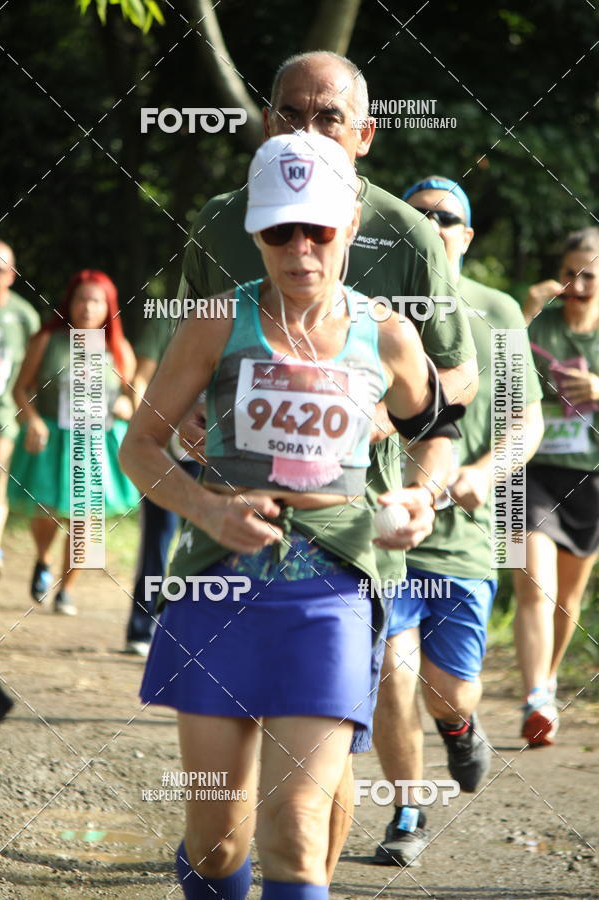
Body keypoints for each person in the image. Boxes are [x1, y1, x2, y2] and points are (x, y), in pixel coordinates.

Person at [120, 133, 453, 900]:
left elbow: (437, 425)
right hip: (217, 587)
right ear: (256, 234)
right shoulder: (213, 321)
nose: (299, 249)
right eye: (279, 230)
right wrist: (206, 506)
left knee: (297, 834)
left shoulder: (388, 333)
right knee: (216, 845)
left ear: (346, 226)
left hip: (330, 591)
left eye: (318, 230)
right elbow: (141, 446)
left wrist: (418, 495)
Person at [176, 50, 477, 875]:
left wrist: (381, 414)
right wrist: (194, 414)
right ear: (268, 119)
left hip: (354, 530)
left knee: (311, 789)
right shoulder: (218, 221)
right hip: (230, 530)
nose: (306, 129)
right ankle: (218, 848)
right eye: (290, 113)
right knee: (220, 833)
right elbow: (190, 351)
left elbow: (458, 377)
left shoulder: (405, 233)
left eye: (328, 117)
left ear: (367, 135)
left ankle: (299, 870)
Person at [373, 176, 544, 865]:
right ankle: (407, 809)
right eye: (419, 216)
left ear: (466, 237)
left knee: (446, 690)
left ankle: (460, 723)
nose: (433, 225)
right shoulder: (373, 310)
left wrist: (484, 473)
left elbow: (526, 421)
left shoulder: (496, 312)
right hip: (383, 532)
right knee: (392, 669)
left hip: (463, 537)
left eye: (447, 218)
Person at [514, 227, 599, 746]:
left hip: (592, 476)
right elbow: (497, 369)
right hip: (532, 472)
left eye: (590, 274)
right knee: (535, 587)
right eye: (570, 273)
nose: (579, 284)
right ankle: (535, 700)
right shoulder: (538, 322)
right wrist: (523, 314)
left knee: (568, 597)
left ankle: (547, 680)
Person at [10, 269, 137, 615]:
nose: (87, 307)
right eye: (81, 299)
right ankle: (43, 560)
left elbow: (132, 396)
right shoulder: (47, 340)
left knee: (86, 520)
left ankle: (67, 588)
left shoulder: (118, 349)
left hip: (96, 444)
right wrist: (32, 420)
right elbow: (20, 388)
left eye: (95, 301)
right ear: (70, 302)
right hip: (52, 440)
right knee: (47, 511)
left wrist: (127, 403)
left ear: (108, 307)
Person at [125, 318, 201, 657]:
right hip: (164, 449)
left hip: (215, 452)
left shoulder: (247, 313)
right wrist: (151, 428)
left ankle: (191, 629)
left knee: (202, 543)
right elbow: (141, 378)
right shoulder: (167, 320)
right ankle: (141, 627)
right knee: (158, 537)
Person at [0, 241, 40, 574]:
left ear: (11, 275)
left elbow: (34, 374)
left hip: (3, 411)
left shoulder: (25, 317)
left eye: (0, 270)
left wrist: (31, 415)